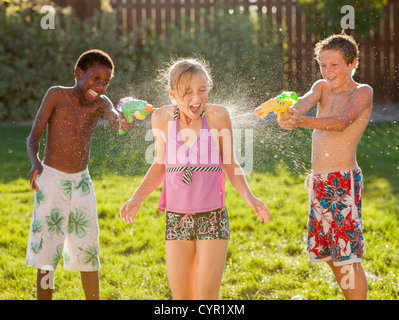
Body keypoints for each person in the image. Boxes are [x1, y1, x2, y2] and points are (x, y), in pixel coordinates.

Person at [120, 57, 270, 300]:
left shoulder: (217, 116)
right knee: (182, 299)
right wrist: (137, 198)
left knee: (207, 298)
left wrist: (250, 198)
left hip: (212, 217)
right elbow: (160, 164)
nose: (197, 98)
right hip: (176, 219)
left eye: (202, 90)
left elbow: (230, 163)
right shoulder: (161, 118)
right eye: (187, 92)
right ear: (172, 94)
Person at [26, 49, 133, 300]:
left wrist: (125, 123)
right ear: (78, 73)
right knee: (48, 252)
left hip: (81, 183)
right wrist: (35, 162)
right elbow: (34, 136)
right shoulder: (56, 95)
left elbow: (117, 123)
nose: (100, 86)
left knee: (88, 249)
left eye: (106, 82)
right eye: (95, 78)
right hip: (51, 180)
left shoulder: (101, 103)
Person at [277, 33, 373, 300]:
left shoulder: (362, 92)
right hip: (319, 183)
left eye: (335, 65)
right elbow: (303, 104)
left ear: (353, 63)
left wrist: (301, 122)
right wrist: (288, 114)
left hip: (343, 182)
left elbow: (342, 122)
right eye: (323, 65)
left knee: (347, 256)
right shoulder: (321, 87)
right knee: (330, 252)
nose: (327, 71)